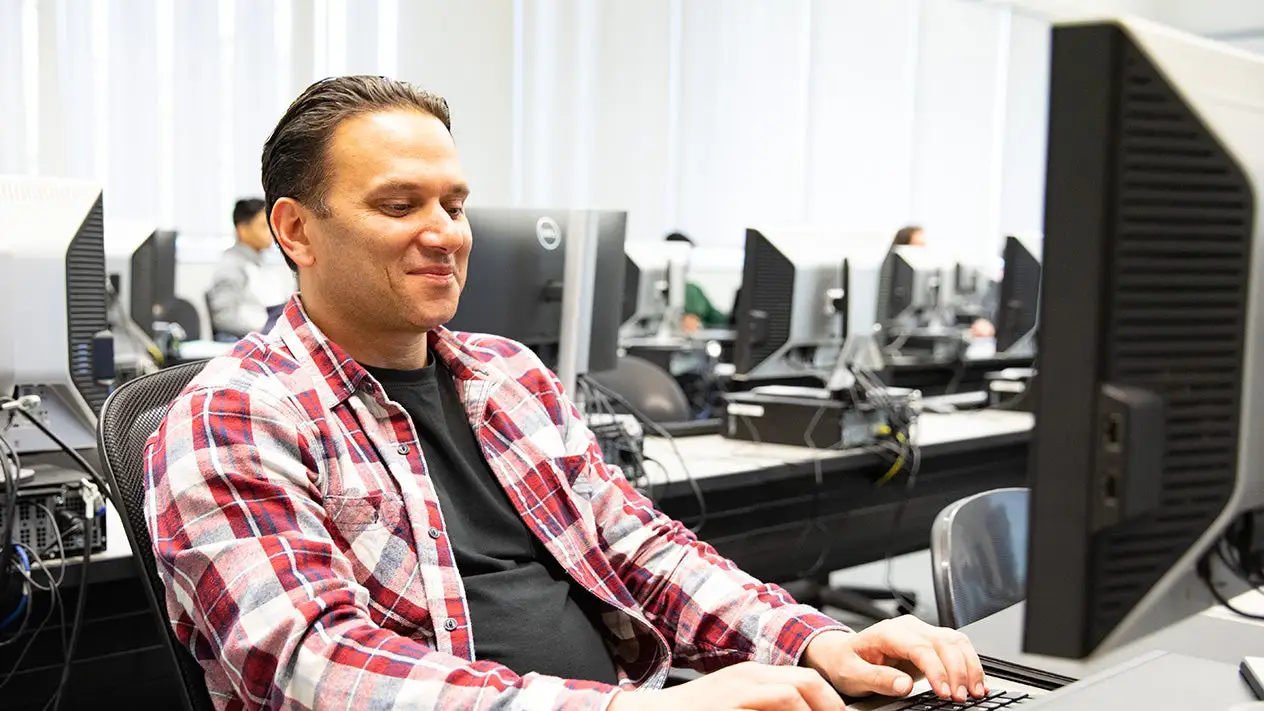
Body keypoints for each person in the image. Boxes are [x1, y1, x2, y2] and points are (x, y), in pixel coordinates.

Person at [145, 76, 988, 711]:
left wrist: (818, 640)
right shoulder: (235, 415)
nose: (445, 233)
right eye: (399, 204)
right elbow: (309, 664)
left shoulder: (506, 374)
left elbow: (641, 550)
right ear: (296, 230)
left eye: (455, 202)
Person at [890, 225, 995, 339]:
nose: (923, 251)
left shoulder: (933, 285)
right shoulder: (894, 276)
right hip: (903, 330)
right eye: (919, 246)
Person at [205, 198, 280, 340]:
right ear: (243, 230)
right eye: (264, 226)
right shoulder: (231, 266)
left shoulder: (261, 262)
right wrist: (265, 331)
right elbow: (224, 318)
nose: (272, 232)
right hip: (254, 342)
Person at [664, 232, 729, 334]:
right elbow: (690, 326)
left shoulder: (694, 289)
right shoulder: (680, 290)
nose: (688, 262)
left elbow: (718, 318)